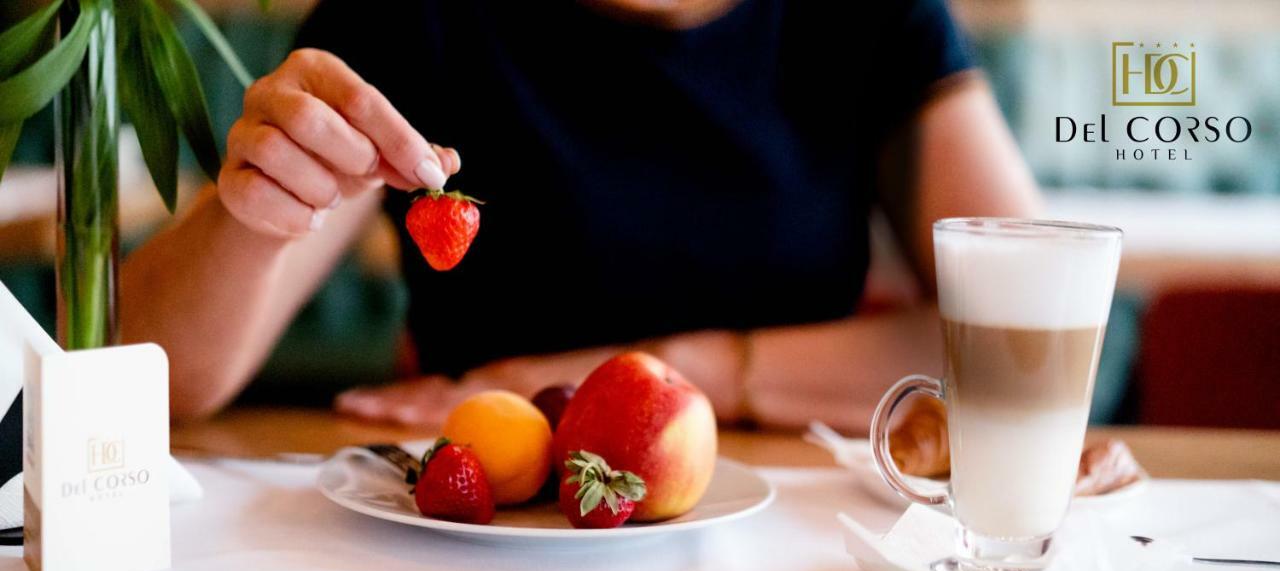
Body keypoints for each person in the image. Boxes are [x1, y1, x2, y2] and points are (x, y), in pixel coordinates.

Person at [120, 0, 1040, 431]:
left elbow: (1025, 339)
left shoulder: (874, 19)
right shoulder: (413, 15)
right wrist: (250, 214)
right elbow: (142, 380)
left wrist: (675, 374)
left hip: (791, 533)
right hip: (476, 544)